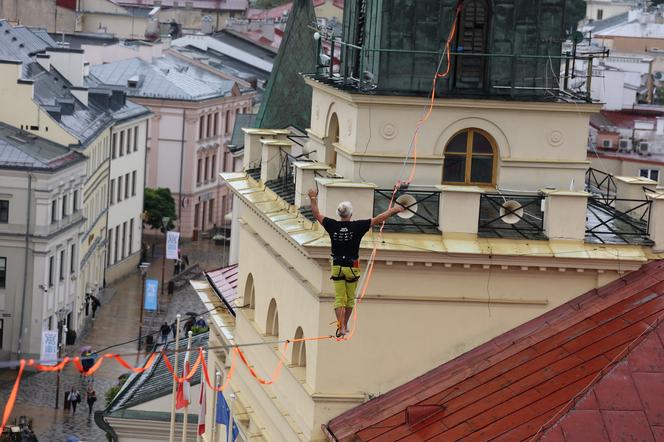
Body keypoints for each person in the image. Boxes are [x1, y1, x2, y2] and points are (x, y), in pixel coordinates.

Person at [308, 189, 404, 337]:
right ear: (350, 214)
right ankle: (345, 325)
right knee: (350, 298)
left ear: (339, 214)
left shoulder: (332, 225)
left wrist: (313, 197)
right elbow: (379, 219)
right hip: (352, 267)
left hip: (337, 266)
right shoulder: (357, 226)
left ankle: (340, 327)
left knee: (339, 298)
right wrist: (394, 209)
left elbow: (316, 214)